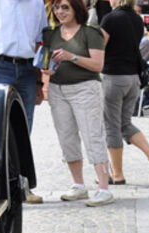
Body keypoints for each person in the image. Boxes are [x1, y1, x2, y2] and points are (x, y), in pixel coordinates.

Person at [0, 0, 49, 203]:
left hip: (28, 71)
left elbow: (40, 43)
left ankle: (22, 186)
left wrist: (39, 82)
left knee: (24, 130)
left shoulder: (37, 3)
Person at [40, 0, 113, 206]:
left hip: (85, 89)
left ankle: (104, 188)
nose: (60, 12)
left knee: (93, 136)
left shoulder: (90, 32)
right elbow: (45, 61)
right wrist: (47, 70)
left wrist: (72, 57)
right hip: (57, 89)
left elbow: (97, 65)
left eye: (65, 7)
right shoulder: (51, 33)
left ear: (75, 9)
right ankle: (78, 185)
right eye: (57, 8)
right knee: (66, 137)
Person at [100, 0, 149, 186]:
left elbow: (99, 47)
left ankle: (117, 174)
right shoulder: (137, 19)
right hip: (133, 78)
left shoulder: (110, 19)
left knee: (112, 126)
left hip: (113, 77)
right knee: (125, 124)